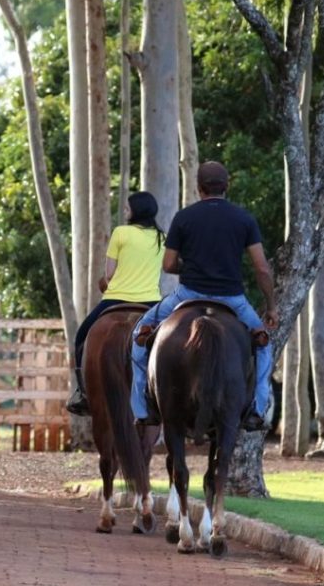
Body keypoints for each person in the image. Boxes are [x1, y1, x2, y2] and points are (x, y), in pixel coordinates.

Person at [129, 161, 279, 431]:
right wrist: (271, 307)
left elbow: (168, 265)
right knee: (264, 345)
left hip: (188, 294)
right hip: (232, 299)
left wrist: (187, 266)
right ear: (227, 186)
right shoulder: (244, 219)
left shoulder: (184, 218)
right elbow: (261, 268)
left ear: (199, 188)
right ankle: (257, 408)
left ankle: (142, 407)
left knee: (140, 332)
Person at [65, 191, 165, 415]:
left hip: (115, 298)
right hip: (150, 304)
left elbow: (109, 274)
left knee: (81, 337)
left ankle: (83, 392)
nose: (125, 213)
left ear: (136, 211)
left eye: (128, 209)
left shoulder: (121, 233)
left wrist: (106, 282)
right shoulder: (162, 237)